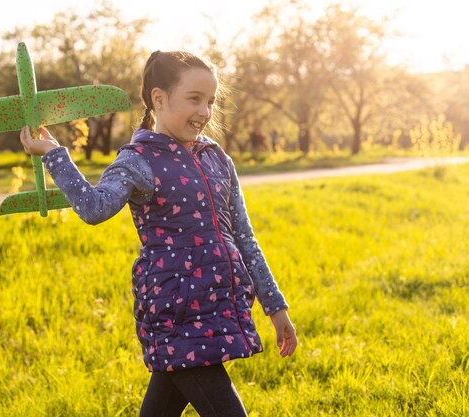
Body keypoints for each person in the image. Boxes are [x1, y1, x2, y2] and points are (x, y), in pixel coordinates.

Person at [19, 50, 297, 417]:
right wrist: (55, 155)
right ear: (159, 98)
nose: (205, 113)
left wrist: (275, 306)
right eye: (194, 99)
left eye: (210, 102)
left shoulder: (217, 159)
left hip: (216, 304)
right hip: (176, 309)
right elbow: (94, 207)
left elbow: (243, 237)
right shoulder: (139, 159)